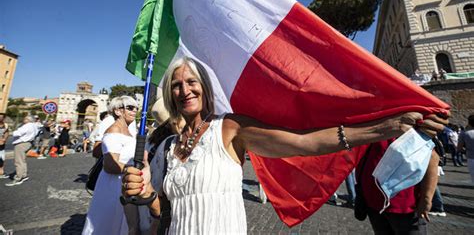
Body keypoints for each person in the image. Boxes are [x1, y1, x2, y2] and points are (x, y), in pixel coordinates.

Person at [122, 57, 448, 234]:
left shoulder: (230, 127)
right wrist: (148, 193)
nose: (184, 90)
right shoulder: (169, 147)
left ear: (204, 87)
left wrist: (386, 127)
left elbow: (304, 142)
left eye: (191, 82)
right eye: (176, 85)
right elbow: (165, 211)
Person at [82, 96, 140, 235]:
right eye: (130, 108)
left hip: (124, 182)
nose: (134, 111)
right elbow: (110, 165)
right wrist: (133, 171)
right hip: (113, 184)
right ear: (118, 111)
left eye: (136, 108)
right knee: (109, 225)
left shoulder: (128, 131)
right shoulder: (113, 131)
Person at [357, 139, 439, 234]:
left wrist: (426, 199)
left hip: (405, 206)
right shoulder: (372, 127)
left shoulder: (409, 129)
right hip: (374, 203)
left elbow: (431, 158)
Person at [5, 116, 39, 186]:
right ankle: (24, 175)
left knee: (18, 161)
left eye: (25, 118)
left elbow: (17, 133)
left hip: (21, 144)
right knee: (22, 160)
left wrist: (8, 130)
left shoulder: (26, 126)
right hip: (28, 143)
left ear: (27, 120)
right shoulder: (34, 126)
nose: (23, 119)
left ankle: (18, 178)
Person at [458, 115, 474, 183]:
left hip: (471, 158)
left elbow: (459, 148)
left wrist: (466, 151)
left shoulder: (464, 133)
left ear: (469, 122)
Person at [0, 113, 10, 178]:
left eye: (1, 117)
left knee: (2, 158)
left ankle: (1, 172)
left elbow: (7, 132)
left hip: (1, 144)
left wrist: (4, 139)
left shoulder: (5, 125)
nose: (0, 118)